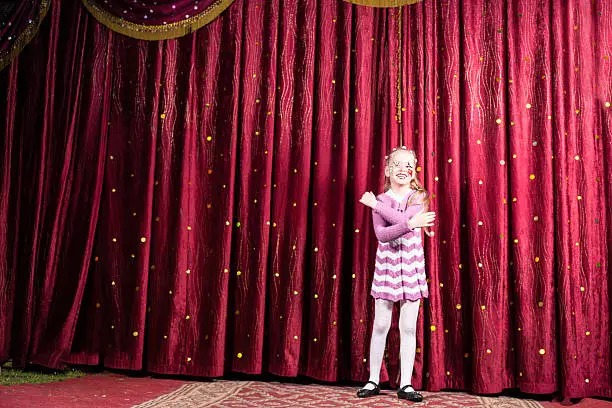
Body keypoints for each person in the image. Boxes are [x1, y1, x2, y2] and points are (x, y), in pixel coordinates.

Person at [357, 146, 435, 401]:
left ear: (413, 170)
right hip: (387, 266)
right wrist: (409, 224)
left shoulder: (418, 197)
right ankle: (373, 380)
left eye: (407, 164)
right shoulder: (380, 198)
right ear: (388, 170)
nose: (402, 169)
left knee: (408, 327)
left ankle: (406, 384)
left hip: (411, 267)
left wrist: (403, 220)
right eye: (397, 164)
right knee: (381, 324)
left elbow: (404, 222)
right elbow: (382, 235)